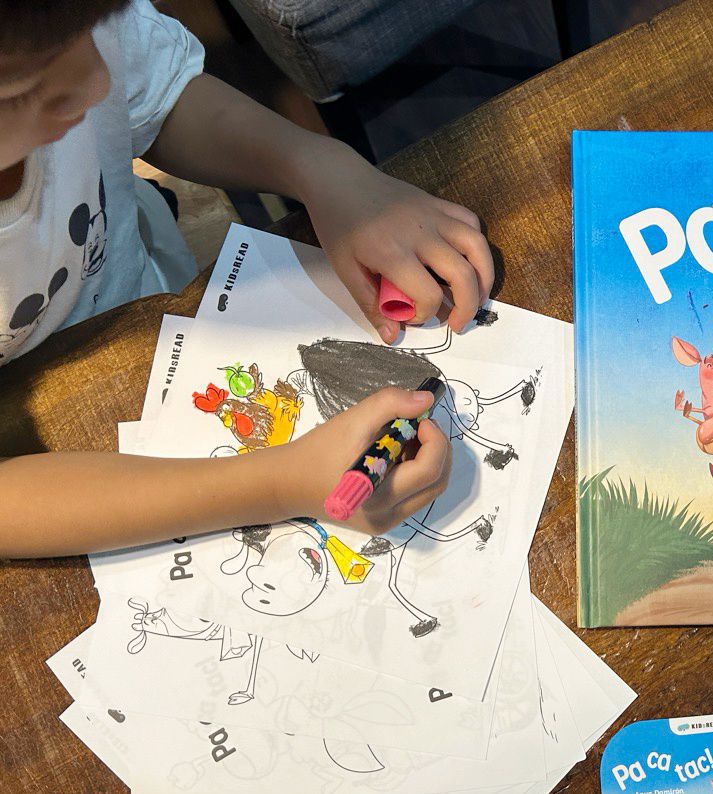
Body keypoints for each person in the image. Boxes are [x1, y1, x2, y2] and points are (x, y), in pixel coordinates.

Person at [0, 0, 495, 558]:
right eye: (18, 90)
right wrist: (279, 485)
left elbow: (162, 98)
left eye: (99, 31)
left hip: (144, 305)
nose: (96, 85)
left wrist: (321, 168)